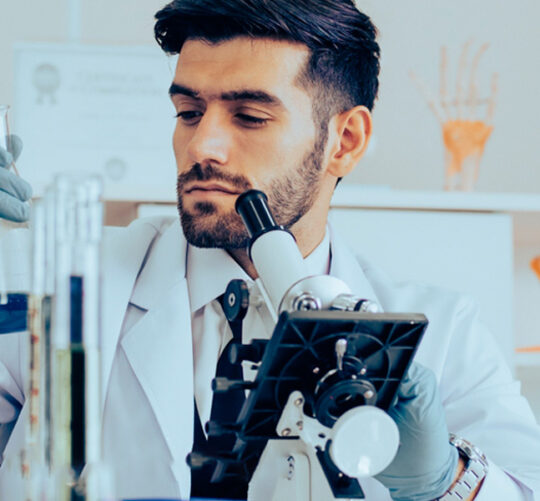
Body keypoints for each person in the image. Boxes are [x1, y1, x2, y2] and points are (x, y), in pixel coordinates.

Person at [1, 0, 540, 499]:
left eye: (250, 117)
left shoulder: (444, 334)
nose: (202, 146)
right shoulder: (64, 284)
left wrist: (446, 479)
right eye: (189, 111)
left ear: (345, 140)